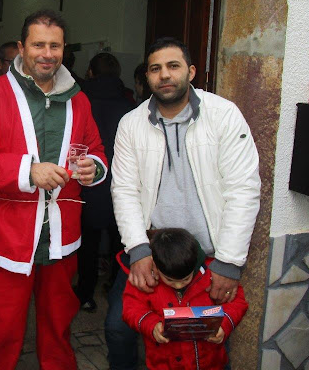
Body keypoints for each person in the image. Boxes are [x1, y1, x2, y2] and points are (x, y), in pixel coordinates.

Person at [0, 9, 108, 370]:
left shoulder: (79, 100)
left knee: (58, 324)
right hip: (6, 233)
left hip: (61, 233)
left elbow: (96, 150)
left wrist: (93, 167)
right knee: (3, 327)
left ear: (64, 49)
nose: (47, 54)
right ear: (22, 48)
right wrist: (27, 171)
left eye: (55, 46)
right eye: (38, 45)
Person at [105, 37, 261, 370]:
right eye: (155, 68)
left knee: (209, 336)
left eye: (173, 66)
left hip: (208, 258)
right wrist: (138, 250)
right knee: (118, 328)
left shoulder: (223, 115)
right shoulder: (131, 124)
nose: (164, 75)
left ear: (190, 72)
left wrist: (229, 262)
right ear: (147, 76)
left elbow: (243, 190)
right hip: (151, 252)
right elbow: (125, 190)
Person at [122, 228, 248, 370]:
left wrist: (224, 325)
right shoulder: (146, 280)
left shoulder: (212, 276)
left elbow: (237, 302)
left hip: (210, 363)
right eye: (169, 280)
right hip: (164, 364)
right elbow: (131, 308)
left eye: (186, 279)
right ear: (156, 267)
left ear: (195, 264)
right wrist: (151, 325)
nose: (178, 285)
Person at [75, 52, 134, 312]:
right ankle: (116, 290)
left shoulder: (80, 101)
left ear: (90, 71)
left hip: (89, 178)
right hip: (121, 180)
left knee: (87, 242)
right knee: (120, 241)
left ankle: (85, 293)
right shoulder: (129, 105)